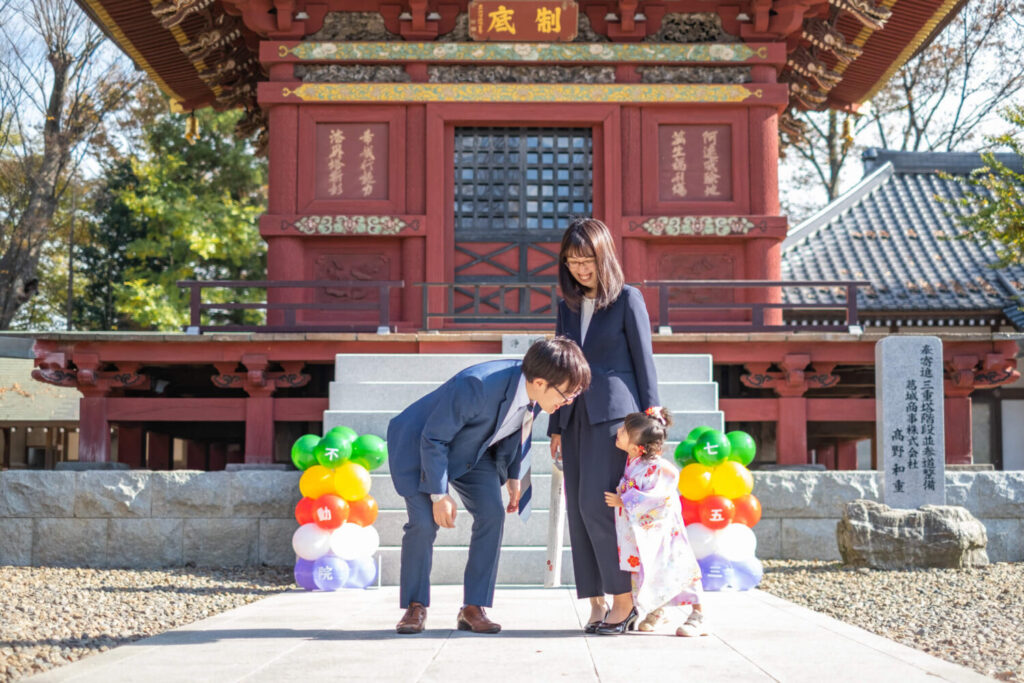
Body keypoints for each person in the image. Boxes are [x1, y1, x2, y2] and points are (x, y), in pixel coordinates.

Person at [387, 337, 591, 635]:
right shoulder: (477, 385)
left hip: (473, 450)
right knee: (423, 524)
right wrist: (439, 494)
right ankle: (415, 607)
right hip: (421, 448)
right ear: (539, 381)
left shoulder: (536, 394)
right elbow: (434, 438)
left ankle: (473, 607)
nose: (568, 401)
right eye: (567, 393)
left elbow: (512, 429)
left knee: (492, 514)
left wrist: (513, 475)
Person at [548, 216, 660, 633]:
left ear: (603, 256)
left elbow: (644, 361)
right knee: (579, 511)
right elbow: (561, 368)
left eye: (587, 260)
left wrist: (651, 418)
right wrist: (556, 427)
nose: (580, 268)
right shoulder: (567, 307)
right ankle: (596, 601)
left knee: (602, 507)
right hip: (575, 416)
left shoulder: (628, 299)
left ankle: (624, 601)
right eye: (572, 261)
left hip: (615, 419)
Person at [603, 407, 707, 637]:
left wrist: (625, 500)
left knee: (677, 569)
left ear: (635, 447)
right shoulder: (633, 462)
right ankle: (658, 611)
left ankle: (698, 615)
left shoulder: (661, 468)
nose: (618, 432)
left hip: (664, 533)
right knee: (646, 570)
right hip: (639, 532)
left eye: (623, 431)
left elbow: (661, 497)